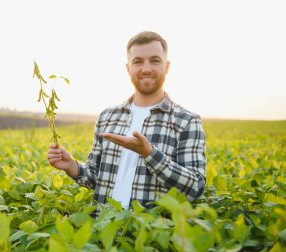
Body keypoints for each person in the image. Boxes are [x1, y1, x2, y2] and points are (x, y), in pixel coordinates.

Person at [47, 31, 206, 212]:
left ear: (167, 66)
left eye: (155, 60)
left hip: (150, 234)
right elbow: (96, 178)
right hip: (102, 228)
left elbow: (196, 188)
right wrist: (72, 166)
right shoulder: (108, 117)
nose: (146, 68)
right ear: (128, 68)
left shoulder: (186, 121)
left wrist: (149, 154)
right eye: (138, 61)